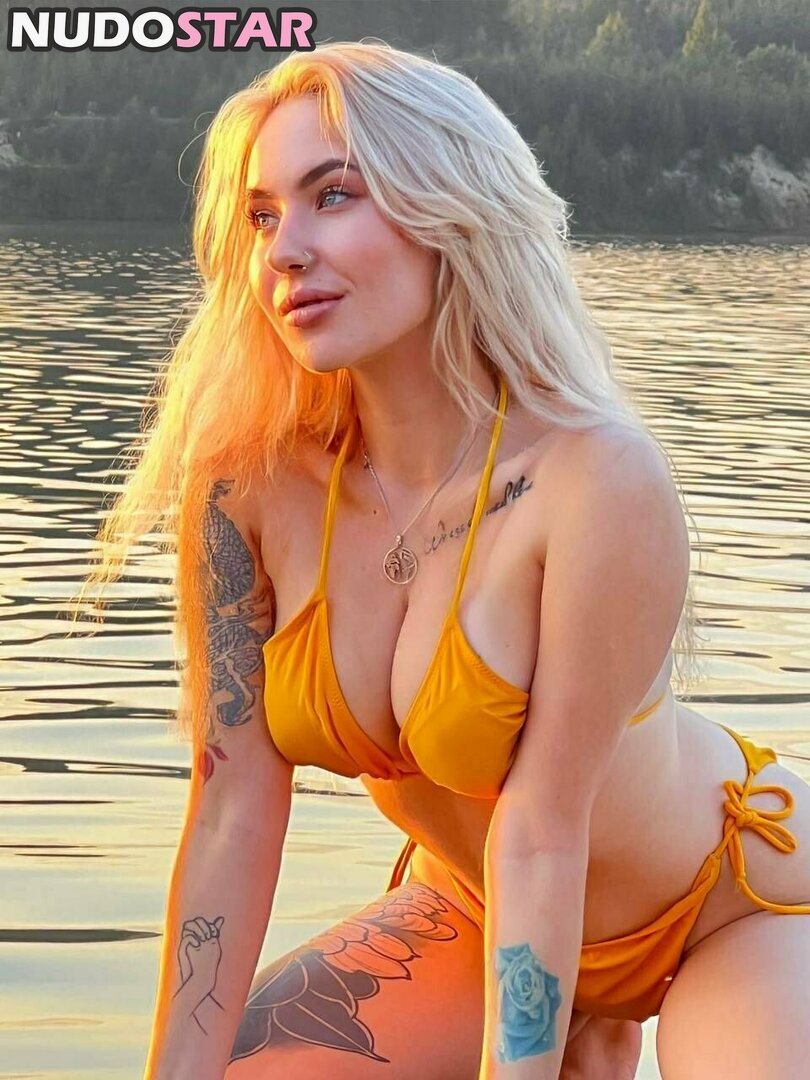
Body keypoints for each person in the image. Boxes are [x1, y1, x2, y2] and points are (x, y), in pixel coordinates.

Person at [73, 41, 810, 1080]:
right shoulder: (246, 489)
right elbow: (231, 815)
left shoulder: (591, 477)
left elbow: (542, 829)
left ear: (449, 208)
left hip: (724, 907)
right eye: (262, 215)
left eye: (333, 195)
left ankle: (596, 1038)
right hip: (472, 905)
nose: (284, 251)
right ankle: (586, 1039)